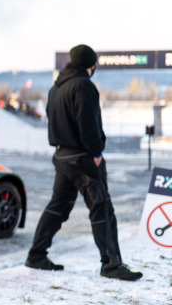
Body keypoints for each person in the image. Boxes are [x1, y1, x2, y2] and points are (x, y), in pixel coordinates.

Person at [25, 44, 142, 281]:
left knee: (57, 208)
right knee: (102, 208)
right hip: (83, 158)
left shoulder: (55, 88)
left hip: (62, 156)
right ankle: (111, 264)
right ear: (90, 65)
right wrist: (96, 153)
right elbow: (88, 124)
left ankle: (36, 255)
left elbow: (52, 122)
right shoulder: (84, 86)